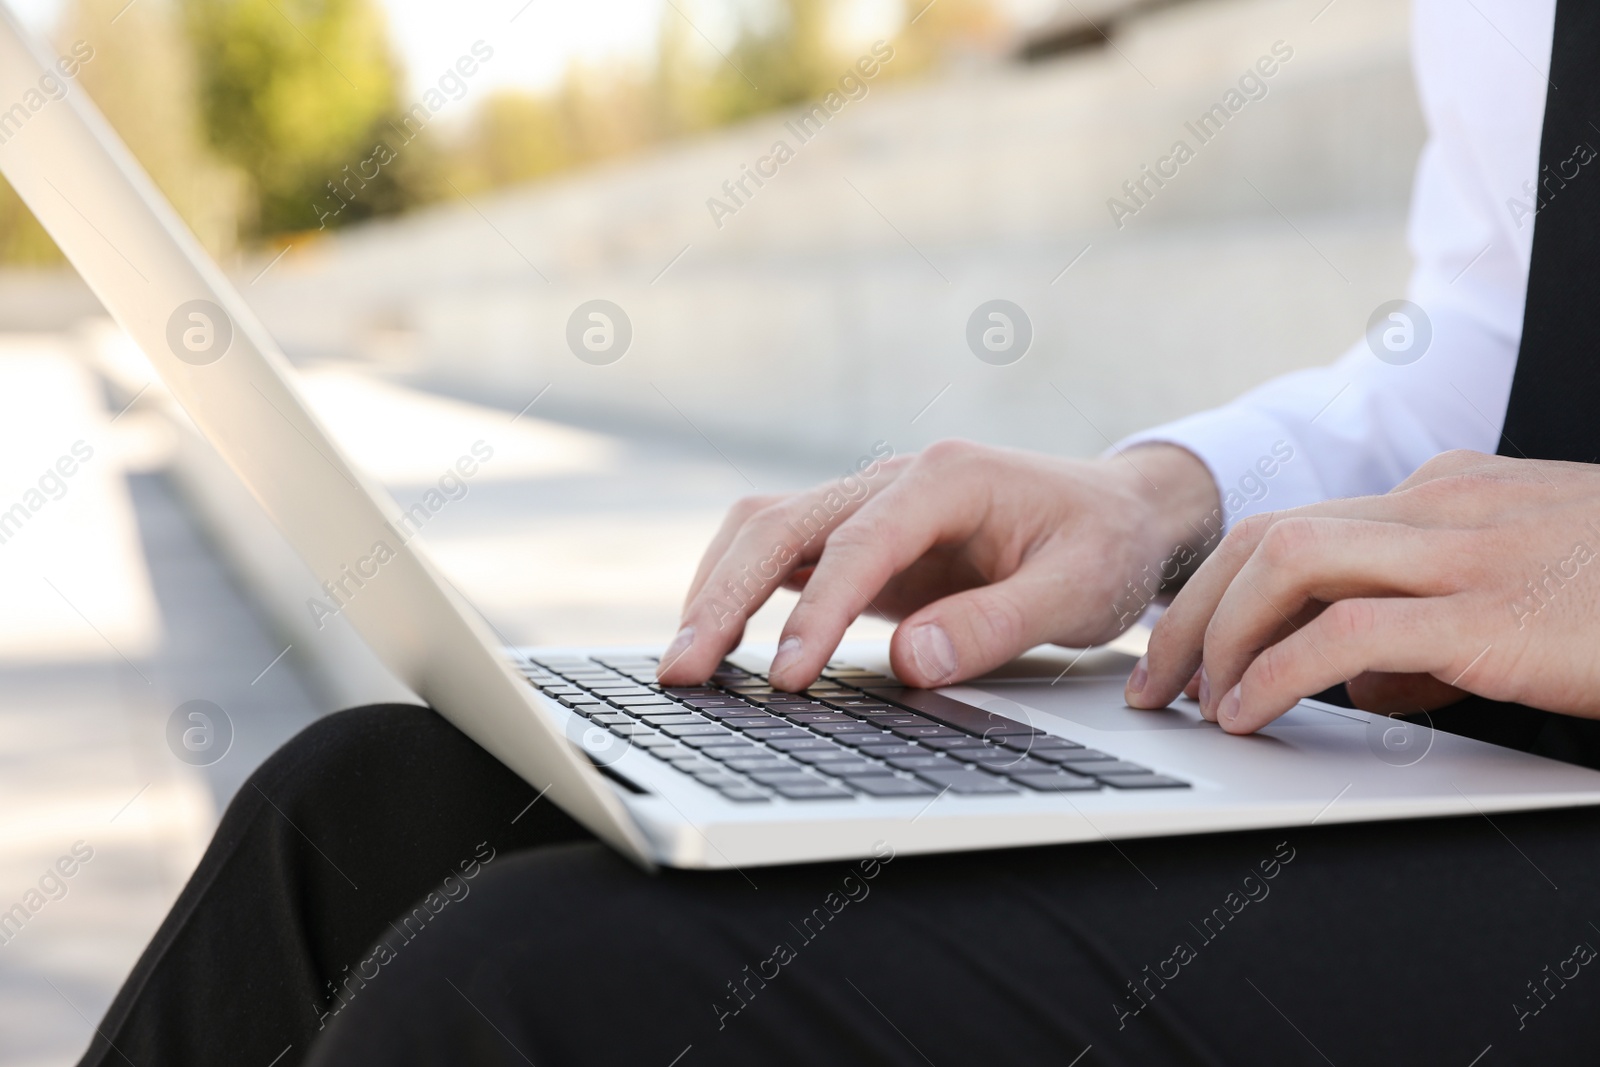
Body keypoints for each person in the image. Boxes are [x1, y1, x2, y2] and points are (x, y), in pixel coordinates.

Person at [79, 1, 1600, 1064]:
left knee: (525, 994)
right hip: (1494, 741)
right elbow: (1489, 329)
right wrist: (1156, 500)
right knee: (362, 814)